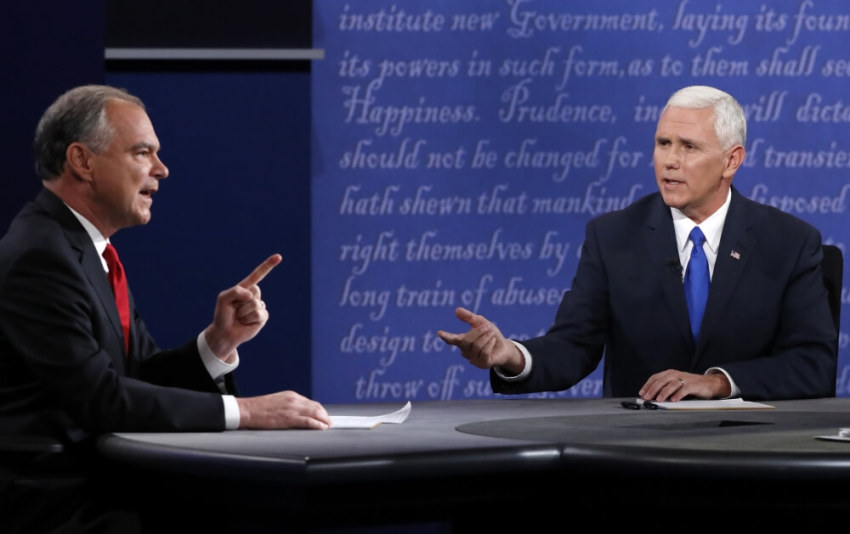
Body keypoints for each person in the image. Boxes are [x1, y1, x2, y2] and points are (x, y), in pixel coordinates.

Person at [0, 85, 332, 533]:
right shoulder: (40, 256)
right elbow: (100, 399)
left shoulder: (82, 249)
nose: (162, 169)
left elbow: (136, 377)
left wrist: (217, 344)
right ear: (82, 161)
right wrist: (249, 412)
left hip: (101, 488)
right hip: (57, 505)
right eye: (142, 153)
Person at [438, 85, 837, 403]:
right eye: (663, 143)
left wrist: (717, 383)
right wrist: (511, 355)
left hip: (750, 451)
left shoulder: (788, 242)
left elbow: (813, 365)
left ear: (731, 161)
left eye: (688, 146)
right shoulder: (613, 237)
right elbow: (574, 347)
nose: (670, 160)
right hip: (639, 450)